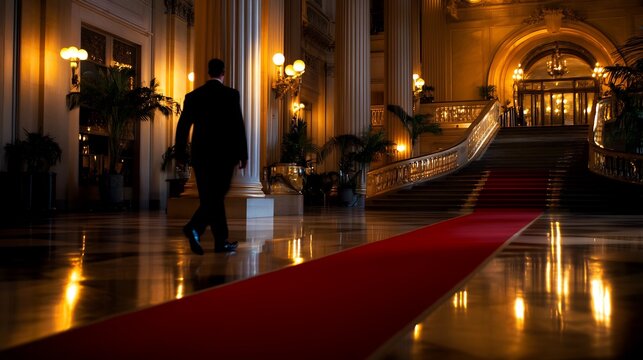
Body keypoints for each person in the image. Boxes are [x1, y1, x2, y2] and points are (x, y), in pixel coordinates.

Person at [175, 58, 248, 255]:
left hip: (201, 155)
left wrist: (180, 153)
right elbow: (237, 125)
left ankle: (220, 241)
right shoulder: (231, 95)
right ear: (223, 72)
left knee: (211, 198)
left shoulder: (194, 96)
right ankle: (195, 228)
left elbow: (183, 127)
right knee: (216, 197)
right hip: (224, 156)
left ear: (208, 72)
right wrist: (243, 154)